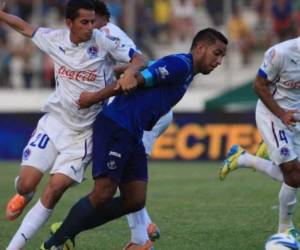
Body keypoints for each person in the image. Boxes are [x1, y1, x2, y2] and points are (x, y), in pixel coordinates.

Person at [41, 27, 228, 249]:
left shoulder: (186, 71)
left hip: (133, 133)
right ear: (200, 48)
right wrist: (94, 97)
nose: (219, 61)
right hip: (117, 125)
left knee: (135, 199)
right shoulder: (182, 65)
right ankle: (54, 242)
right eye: (217, 53)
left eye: (222, 56)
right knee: (102, 193)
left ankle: (68, 230)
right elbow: (137, 79)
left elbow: (141, 73)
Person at [2, 1, 146, 249]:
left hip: (85, 134)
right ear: (69, 23)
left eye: (92, 21)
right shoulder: (53, 38)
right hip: (55, 122)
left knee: (54, 189)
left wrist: (131, 72)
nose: (91, 27)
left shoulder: (102, 40)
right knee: (26, 184)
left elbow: (140, 58)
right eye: (85, 22)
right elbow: (25, 28)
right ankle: (25, 194)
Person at [90, 1, 173, 248]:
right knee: (128, 172)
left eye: (90, 20)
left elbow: (141, 63)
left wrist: (108, 69)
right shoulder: (106, 35)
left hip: (144, 111)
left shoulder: (106, 34)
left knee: (128, 174)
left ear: (102, 19)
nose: (87, 26)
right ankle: (144, 227)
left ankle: (141, 239)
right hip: (146, 110)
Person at [220, 37, 300, 238]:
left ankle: (244, 158)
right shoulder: (280, 53)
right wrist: (282, 114)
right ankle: (285, 230)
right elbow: (258, 86)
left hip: (295, 119)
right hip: (273, 116)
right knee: (293, 174)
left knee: (296, 176)